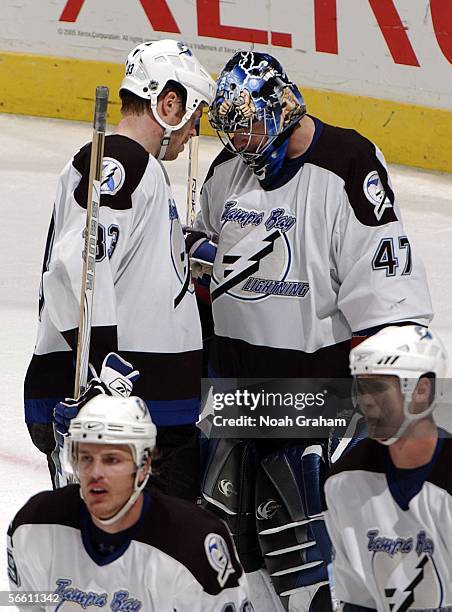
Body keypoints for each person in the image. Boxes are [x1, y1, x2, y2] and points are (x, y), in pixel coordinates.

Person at [186, 50, 434, 610]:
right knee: (233, 570)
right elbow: (203, 271)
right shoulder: (228, 170)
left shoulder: (347, 164)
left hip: (310, 408)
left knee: (308, 576)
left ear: (280, 106)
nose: (244, 141)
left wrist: (365, 424)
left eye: (250, 123)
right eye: (231, 129)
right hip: (234, 404)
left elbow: (387, 307)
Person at [23, 39, 216, 499]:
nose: (192, 132)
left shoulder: (137, 168)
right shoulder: (122, 162)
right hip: (120, 411)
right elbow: (77, 267)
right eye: (192, 117)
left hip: (141, 408)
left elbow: (113, 261)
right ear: (170, 103)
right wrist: (98, 380)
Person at [7, 394, 253, 611]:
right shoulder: (33, 526)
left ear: (144, 466)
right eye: (85, 458)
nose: (95, 473)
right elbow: (31, 603)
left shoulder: (195, 545)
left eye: (112, 460)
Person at [324, 325, 450, 611]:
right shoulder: (344, 481)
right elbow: (357, 599)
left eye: (379, 386)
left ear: (422, 390)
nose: (366, 400)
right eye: (362, 386)